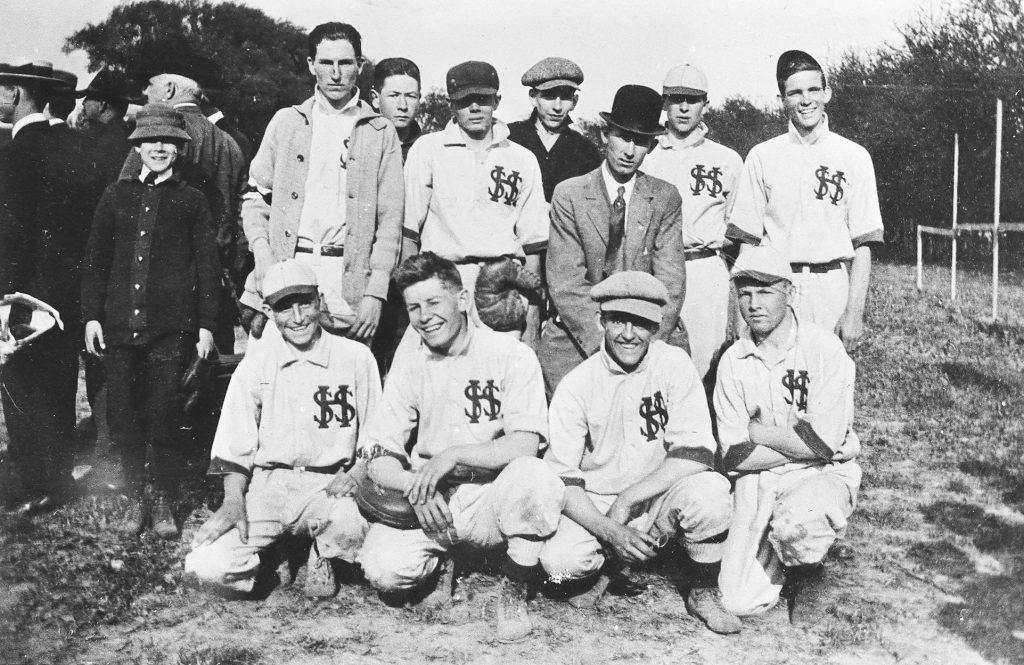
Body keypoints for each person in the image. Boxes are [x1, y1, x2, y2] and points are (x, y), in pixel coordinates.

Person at [356, 252, 564, 643]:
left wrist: (454, 455)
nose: (425, 316)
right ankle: (448, 560)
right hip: (434, 500)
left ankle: (514, 586)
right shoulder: (409, 362)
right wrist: (413, 486)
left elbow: (525, 443)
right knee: (384, 571)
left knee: (536, 476)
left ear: (463, 299)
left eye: (434, 302)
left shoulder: (510, 354)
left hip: (490, 496)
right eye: (414, 307)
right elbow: (378, 453)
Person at [541, 271, 739, 633]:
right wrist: (610, 530)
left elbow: (696, 452)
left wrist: (629, 499)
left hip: (658, 496)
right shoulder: (577, 384)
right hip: (600, 502)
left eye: (640, 323)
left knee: (711, 492)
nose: (629, 334)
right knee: (559, 565)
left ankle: (703, 588)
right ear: (601, 322)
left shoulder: (674, 364)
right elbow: (563, 479)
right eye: (619, 320)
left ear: (656, 326)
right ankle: (608, 566)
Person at [185, 259, 380, 597]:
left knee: (358, 527)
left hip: (328, 487)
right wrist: (233, 501)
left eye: (305, 303)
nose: (299, 317)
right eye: (285, 307)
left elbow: (377, 435)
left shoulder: (355, 357)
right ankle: (272, 556)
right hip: (269, 487)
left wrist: (357, 473)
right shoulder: (256, 363)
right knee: (206, 563)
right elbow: (235, 444)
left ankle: (323, 552)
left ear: (320, 300)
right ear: (269, 311)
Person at [81, 103, 221, 538]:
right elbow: (96, 260)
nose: (158, 148)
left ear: (180, 149)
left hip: (169, 329)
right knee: (122, 414)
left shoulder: (191, 200)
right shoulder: (115, 195)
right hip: (120, 326)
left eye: (168, 142)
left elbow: (207, 267)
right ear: (137, 147)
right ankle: (134, 497)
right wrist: (91, 317)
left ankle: (162, 497)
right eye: (150, 141)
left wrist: (206, 325)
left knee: (164, 413)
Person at [713, 246, 861, 623]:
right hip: (758, 475)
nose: (754, 304)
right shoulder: (732, 360)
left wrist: (758, 432)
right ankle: (780, 555)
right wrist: (802, 441)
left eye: (765, 292)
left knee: (801, 519)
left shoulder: (823, 348)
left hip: (822, 472)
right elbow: (734, 455)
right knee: (737, 601)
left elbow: (822, 445)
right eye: (745, 293)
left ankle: (809, 572)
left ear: (790, 293)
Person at [241, 22, 403, 348]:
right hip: (288, 267)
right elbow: (255, 196)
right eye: (326, 63)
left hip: (348, 279)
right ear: (311, 65)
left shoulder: (380, 131)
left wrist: (375, 292)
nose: (336, 74)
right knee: (277, 369)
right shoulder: (287, 122)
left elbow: (390, 221)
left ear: (360, 65)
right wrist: (262, 253)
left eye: (345, 63)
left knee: (343, 372)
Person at [726, 50, 884, 351]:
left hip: (830, 286)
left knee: (828, 374)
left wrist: (854, 313)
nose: (806, 100)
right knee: (771, 372)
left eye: (813, 90)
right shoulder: (762, 155)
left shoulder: (854, 156)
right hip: (774, 284)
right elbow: (747, 242)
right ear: (782, 100)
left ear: (827, 93)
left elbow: (863, 244)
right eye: (795, 93)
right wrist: (740, 314)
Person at [538, 84, 686, 396]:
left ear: (652, 146)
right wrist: (606, 348)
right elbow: (566, 284)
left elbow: (670, 284)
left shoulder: (665, 198)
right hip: (581, 337)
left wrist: (637, 346)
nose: (630, 151)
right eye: (623, 137)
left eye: (641, 141)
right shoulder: (570, 194)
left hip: (645, 334)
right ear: (605, 134)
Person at [0, 60, 90, 515]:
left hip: (22, 294)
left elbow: (13, 234)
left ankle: (31, 483)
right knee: (56, 387)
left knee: (20, 389)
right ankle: (56, 480)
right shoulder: (70, 145)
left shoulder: (15, 152)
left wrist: (5, 292)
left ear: (15, 95)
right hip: (64, 293)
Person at [402, 60, 547, 342]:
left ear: (497, 101)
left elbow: (532, 243)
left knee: (502, 365)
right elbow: (409, 232)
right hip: (443, 279)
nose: (475, 108)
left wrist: (531, 308)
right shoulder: (428, 149)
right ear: (451, 106)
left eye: (483, 99)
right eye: (465, 101)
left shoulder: (521, 157)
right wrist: (415, 294)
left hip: (502, 283)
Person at [122, 71, 245, 353]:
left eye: (149, 88)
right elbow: (239, 218)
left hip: (162, 287)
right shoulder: (229, 142)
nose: (146, 96)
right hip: (217, 281)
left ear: (169, 89)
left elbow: (128, 201)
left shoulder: (157, 137)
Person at [642, 64, 743, 383]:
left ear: (705, 105)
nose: (684, 107)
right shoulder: (646, 156)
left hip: (705, 267)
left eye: (693, 99)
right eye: (676, 99)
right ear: (664, 103)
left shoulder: (726, 159)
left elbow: (738, 228)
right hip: (656, 269)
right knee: (655, 359)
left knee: (706, 360)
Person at [507, 57, 601, 202]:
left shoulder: (586, 151)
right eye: (549, 96)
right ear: (533, 97)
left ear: (574, 102)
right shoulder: (510, 137)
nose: (557, 107)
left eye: (565, 97)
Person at [370, 57, 423, 162]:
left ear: (418, 100)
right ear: (375, 99)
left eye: (411, 96)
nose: (403, 106)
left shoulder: (427, 148)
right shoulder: (360, 144)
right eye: (394, 95)